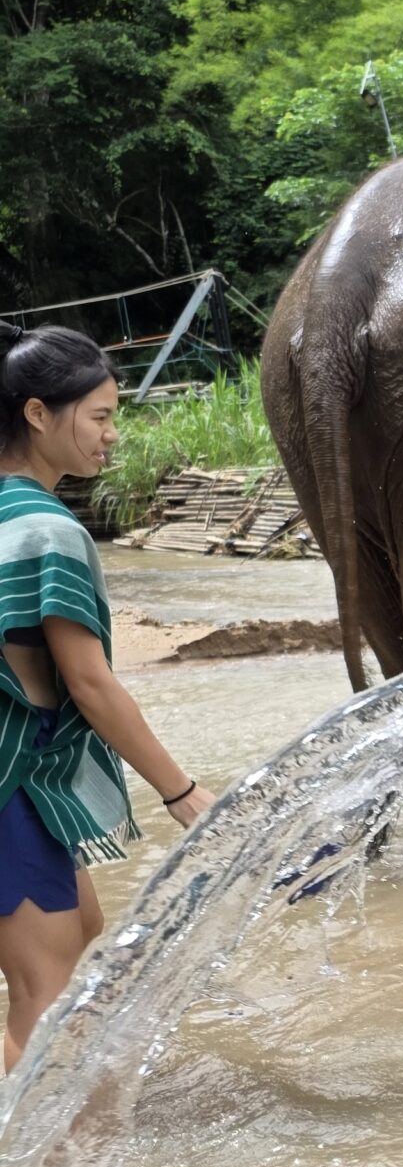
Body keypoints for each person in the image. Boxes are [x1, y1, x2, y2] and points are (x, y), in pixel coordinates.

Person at [0, 323, 212, 1068]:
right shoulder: (47, 530)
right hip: (10, 783)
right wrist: (179, 791)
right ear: (36, 414)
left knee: (80, 925)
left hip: (22, 781)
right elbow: (90, 683)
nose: (112, 436)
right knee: (43, 989)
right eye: (100, 416)